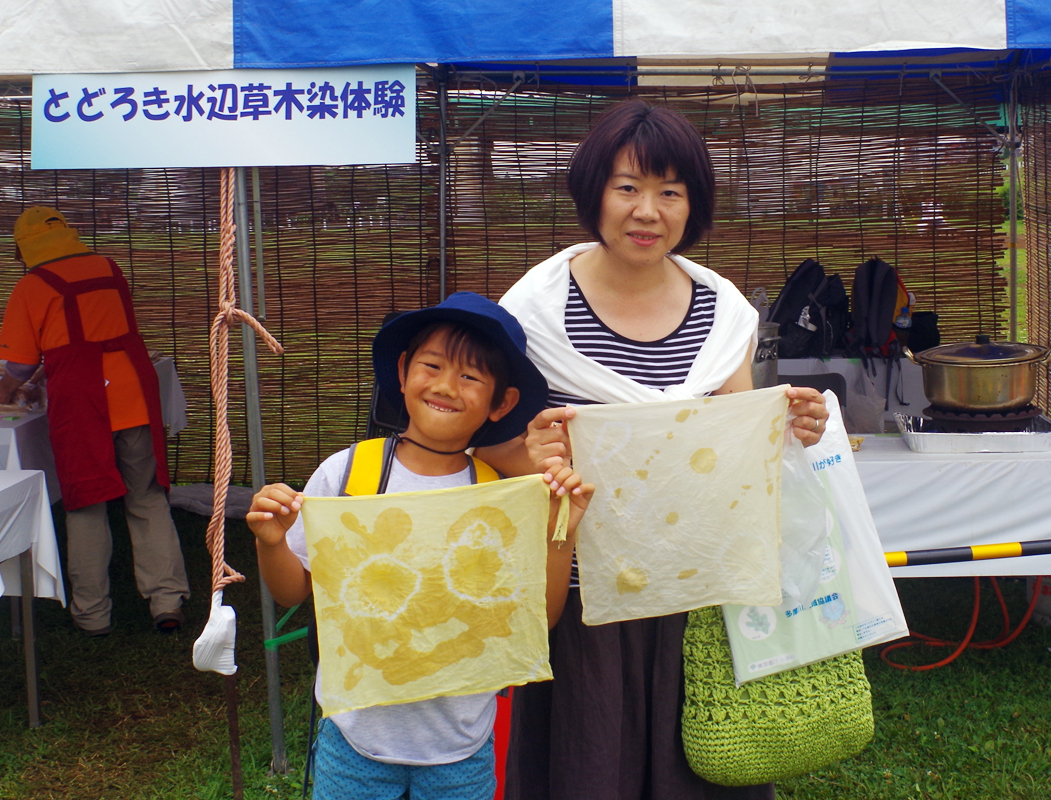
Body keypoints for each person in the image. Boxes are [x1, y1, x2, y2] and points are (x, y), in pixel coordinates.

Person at [488, 100, 831, 800]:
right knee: (589, 766)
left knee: (696, 765)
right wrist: (539, 461)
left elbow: (739, 438)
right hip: (585, 594)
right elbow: (494, 444)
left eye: (670, 192)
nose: (648, 211)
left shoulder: (721, 310)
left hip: (696, 588)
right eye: (628, 188)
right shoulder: (534, 311)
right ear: (595, 193)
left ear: (692, 206)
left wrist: (793, 426)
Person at [247, 292, 594, 800]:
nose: (446, 386)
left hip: (461, 744)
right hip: (355, 738)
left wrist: (560, 532)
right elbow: (293, 592)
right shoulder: (346, 474)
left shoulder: (496, 494)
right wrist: (272, 543)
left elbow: (540, 617)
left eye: (471, 377)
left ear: (503, 402)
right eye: (432, 365)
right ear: (406, 369)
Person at [0, 206, 187, 636]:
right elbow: (97, 335)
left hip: (83, 403)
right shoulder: (108, 267)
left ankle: (92, 614)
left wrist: (10, 388)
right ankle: (167, 601)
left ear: (24, 247)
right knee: (147, 498)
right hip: (134, 394)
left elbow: (20, 366)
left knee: (86, 504)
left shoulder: (31, 286)